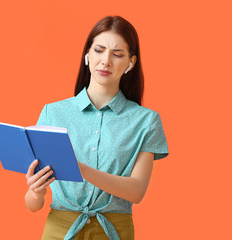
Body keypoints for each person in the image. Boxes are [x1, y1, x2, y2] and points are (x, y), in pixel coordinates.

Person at [24, 15, 169, 240]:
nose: (106, 61)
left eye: (117, 54)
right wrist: (36, 191)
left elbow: (137, 191)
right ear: (87, 55)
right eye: (99, 50)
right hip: (59, 230)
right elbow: (33, 205)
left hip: (113, 232)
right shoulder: (52, 113)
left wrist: (80, 169)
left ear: (130, 63)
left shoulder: (146, 121)